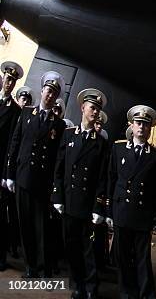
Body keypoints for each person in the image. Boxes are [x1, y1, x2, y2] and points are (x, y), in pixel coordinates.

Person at [5, 71, 67, 278]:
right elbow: (15, 144)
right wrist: (9, 174)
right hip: (22, 177)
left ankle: (43, 267)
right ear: (42, 91)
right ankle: (30, 266)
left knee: (41, 227)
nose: (49, 95)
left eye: (54, 93)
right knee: (25, 226)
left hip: (42, 182)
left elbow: (58, 158)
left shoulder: (58, 125)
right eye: (48, 90)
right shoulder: (26, 114)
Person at [51, 88, 109, 299]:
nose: (95, 112)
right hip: (68, 200)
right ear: (83, 108)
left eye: (98, 109)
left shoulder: (101, 143)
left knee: (88, 249)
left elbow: (102, 178)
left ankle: (91, 287)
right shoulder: (68, 135)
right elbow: (59, 168)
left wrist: (98, 206)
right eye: (92, 108)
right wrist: (57, 196)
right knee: (71, 247)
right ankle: (77, 284)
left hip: (87, 204)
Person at [106, 105, 156, 299]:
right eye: (138, 123)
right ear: (132, 125)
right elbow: (111, 180)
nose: (142, 128)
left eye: (146, 125)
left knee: (142, 258)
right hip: (122, 210)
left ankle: (147, 294)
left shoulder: (155, 156)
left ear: (150, 129)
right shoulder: (118, 148)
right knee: (122, 258)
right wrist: (107, 210)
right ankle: (126, 292)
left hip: (142, 213)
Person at [0, 61, 23, 271]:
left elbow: (11, 144)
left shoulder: (15, 110)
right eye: (7, 79)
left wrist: (6, 173)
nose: (9, 83)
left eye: (13, 81)